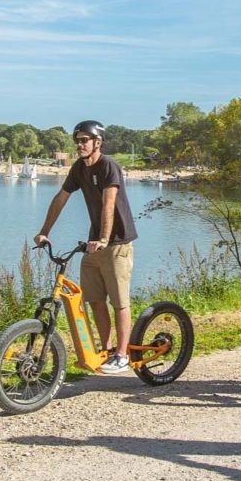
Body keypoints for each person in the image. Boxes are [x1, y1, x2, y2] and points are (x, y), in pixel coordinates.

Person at [34, 120, 138, 375]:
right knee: (94, 300)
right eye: (77, 141)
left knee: (119, 302)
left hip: (117, 244)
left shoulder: (108, 166)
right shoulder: (79, 168)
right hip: (94, 245)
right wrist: (44, 231)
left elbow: (108, 204)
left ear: (97, 143)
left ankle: (122, 355)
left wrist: (104, 238)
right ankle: (107, 350)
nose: (79, 145)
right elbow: (61, 199)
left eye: (84, 140)